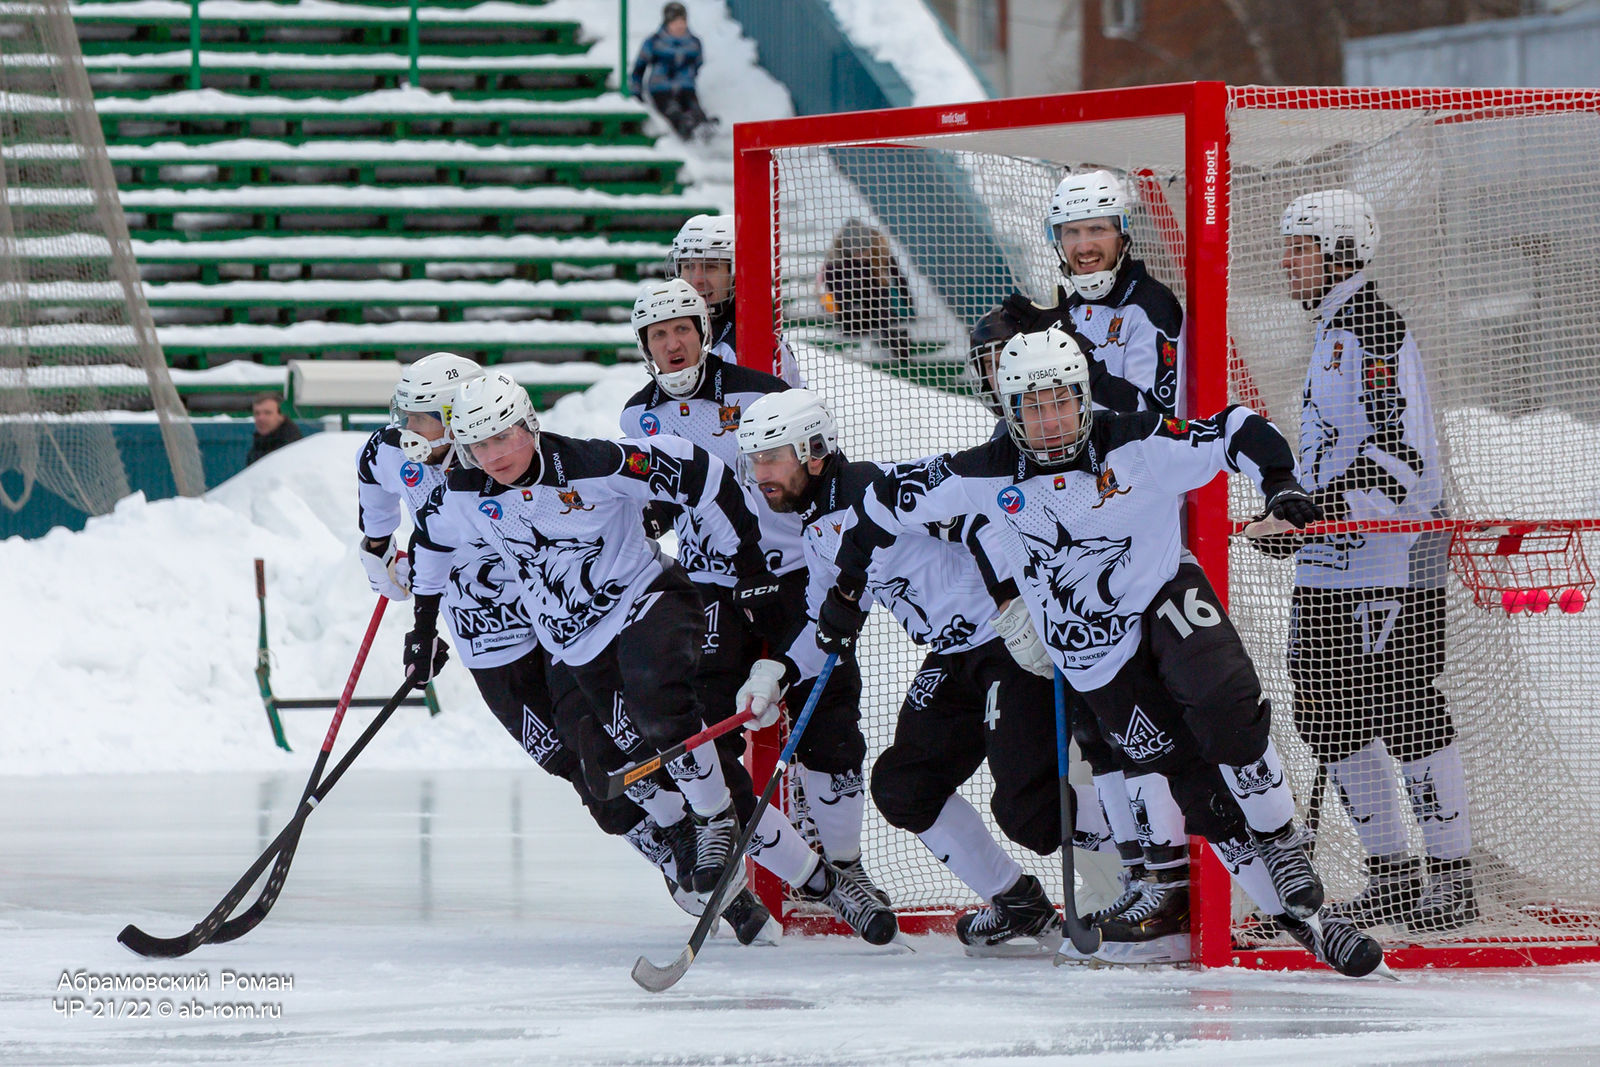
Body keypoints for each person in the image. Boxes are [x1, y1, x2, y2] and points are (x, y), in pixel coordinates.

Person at [818, 327, 1390, 977]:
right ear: (1010, 410)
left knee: (1226, 704)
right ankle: (1313, 925)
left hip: (1162, 595)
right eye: (1033, 407)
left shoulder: (1135, 441)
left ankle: (1282, 841)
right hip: (1096, 653)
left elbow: (1236, 427)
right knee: (1196, 788)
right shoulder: (983, 471)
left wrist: (1280, 483)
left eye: (1062, 401)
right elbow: (875, 508)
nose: (1051, 421)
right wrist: (845, 591)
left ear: (1083, 396)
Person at [424, 371, 896, 944]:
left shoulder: (595, 463)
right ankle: (814, 880)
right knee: (651, 775)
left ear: (530, 424)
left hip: (648, 603)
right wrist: (421, 628)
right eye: (479, 445)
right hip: (573, 649)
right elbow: (427, 546)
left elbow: (701, 472)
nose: (494, 455)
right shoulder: (461, 494)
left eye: (503, 437)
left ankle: (718, 825)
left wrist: (748, 563)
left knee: (663, 709)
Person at [363, 353, 773, 944]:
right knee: (584, 777)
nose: (410, 431)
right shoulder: (392, 454)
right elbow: (388, 519)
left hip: (555, 631)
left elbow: (604, 502)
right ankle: (680, 857)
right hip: (490, 650)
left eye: (424, 418)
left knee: (626, 740)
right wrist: (381, 557)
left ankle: (719, 849)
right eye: (406, 416)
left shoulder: (512, 456)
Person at [737, 388, 1116, 956]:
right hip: (953, 657)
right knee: (904, 786)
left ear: (814, 450)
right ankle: (1017, 903)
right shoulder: (817, 530)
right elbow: (826, 623)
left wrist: (1014, 604)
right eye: (754, 460)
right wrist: (777, 674)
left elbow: (984, 520)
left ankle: (1161, 851)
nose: (760, 473)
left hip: (1010, 645)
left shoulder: (884, 491)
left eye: (772, 458)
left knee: (1030, 813)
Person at [620, 280, 891, 912]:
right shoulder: (637, 416)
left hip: (794, 575)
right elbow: (666, 492)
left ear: (704, 331)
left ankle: (845, 867)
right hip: (712, 585)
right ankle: (733, 848)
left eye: (682, 329)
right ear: (644, 347)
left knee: (829, 718)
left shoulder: (759, 391)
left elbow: (819, 470)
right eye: (658, 335)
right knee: (708, 719)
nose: (673, 344)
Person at [1275, 188, 1475, 933]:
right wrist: (1298, 513)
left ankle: (1452, 877)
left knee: (1405, 705)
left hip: (1391, 560)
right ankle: (1391, 874)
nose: (1288, 263)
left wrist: (1313, 512)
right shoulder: (1331, 329)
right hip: (1330, 562)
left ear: (1340, 253)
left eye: (1300, 248)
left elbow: (1402, 457)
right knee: (1326, 710)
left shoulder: (1372, 325)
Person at [973, 302, 1196, 962]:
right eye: (993, 364)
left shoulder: (1094, 425)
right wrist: (1014, 604)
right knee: (1099, 743)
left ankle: (1169, 882)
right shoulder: (1007, 440)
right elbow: (987, 529)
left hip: (1126, 603)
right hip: (1067, 619)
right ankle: (1138, 877)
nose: (1005, 376)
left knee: (1139, 736)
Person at [1002, 168, 1185, 414]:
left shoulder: (1152, 307)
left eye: (1097, 229)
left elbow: (1152, 416)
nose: (1084, 246)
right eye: (1071, 232)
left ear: (1121, 233)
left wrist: (1071, 354)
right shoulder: (1069, 312)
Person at [669, 213, 803, 386]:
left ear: (735, 274)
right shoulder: (673, 334)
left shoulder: (752, 342)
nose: (697, 280)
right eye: (688, 266)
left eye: (710, 266)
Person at [818, 218, 915, 364]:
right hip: (850, 305)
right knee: (856, 318)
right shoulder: (836, 261)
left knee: (882, 306)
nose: (862, 255)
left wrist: (908, 304)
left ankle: (895, 341)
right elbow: (833, 289)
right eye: (858, 252)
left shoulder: (879, 250)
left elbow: (898, 277)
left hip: (875, 300)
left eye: (864, 251)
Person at [629, 2, 715, 141]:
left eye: (682, 22)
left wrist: (688, 77)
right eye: (675, 22)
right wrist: (637, 90)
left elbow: (698, 64)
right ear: (667, 23)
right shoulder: (655, 42)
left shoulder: (693, 43)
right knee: (671, 108)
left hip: (686, 86)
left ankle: (702, 126)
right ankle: (684, 127)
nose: (679, 26)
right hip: (661, 87)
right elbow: (639, 67)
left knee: (692, 105)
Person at [246, 393, 302, 465]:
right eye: (257, 413)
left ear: (281, 416)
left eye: (267, 413)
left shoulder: (290, 448)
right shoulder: (259, 445)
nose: (261, 418)